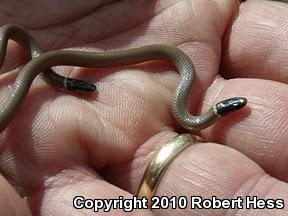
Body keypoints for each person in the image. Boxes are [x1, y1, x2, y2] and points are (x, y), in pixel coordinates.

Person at [0, 0, 287, 215]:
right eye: (232, 106)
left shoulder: (184, 85)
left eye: (230, 107)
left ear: (223, 109)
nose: (234, 106)